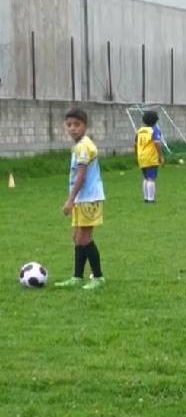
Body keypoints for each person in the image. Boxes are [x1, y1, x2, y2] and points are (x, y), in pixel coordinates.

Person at [54, 108, 106, 290]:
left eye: (77, 124)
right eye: (69, 125)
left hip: (89, 199)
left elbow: (81, 176)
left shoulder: (84, 146)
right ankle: (77, 277)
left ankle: (98, 277)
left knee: (84, 238)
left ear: (85, 126)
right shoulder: (79, 146)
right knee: (77, 237)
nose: (72, 128)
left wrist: (70, 200)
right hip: (81, 199)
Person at [135, 109, 165, 204]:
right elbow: (157, 143)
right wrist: (161, 156)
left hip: (141, 157)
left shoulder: (139, 131)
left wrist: (136, 155)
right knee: (151, 178)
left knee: (145, 178)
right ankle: (151, 199)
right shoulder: (154, 130)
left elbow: (135, 144)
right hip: (151, 158)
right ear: (155, 121)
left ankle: (146, 197)